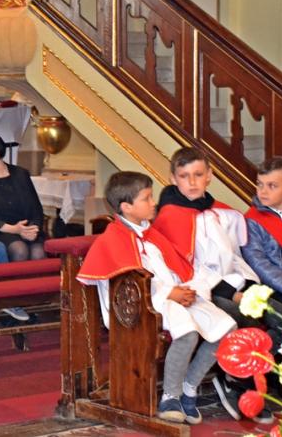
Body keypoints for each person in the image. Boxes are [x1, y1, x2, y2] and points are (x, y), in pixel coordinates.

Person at [77, 171, 235, 425]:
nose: (153, 203)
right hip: (142, 305)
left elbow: (176, 268)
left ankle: (189, 387)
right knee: (187, 332)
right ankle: (170, 397)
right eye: (147, 198)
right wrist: (170, 293)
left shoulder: (150, 233)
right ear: (127, 207)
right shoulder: (114, 238)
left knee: (226, 328)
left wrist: (187, 290)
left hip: (173, 297)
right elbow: (127, 282)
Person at [152, 147, 277, 424]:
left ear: (209, 175)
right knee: (244, 320)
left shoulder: (220, 212)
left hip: (229, 284)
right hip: (197, 292)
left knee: (276, 312)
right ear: (173, 178)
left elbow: (234, 257)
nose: (192, 182)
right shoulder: (169, 217)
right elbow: (182, 269)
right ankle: (236, 384)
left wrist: (248, 285)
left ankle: (267, 386)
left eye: (198, 174)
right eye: (184, 176)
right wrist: (231, 293)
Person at [0, 131, 46, 261]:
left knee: (38, 253)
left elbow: (36, 209)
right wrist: (14, 229)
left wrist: (32, 229)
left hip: (27, 229)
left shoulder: (21, 174)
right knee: (20, 250)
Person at [242, 157, 282, 300]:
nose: (263, 191)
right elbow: (258, 262)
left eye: (272, 186)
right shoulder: (252, 220)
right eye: (260, 184)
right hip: (273, 289)